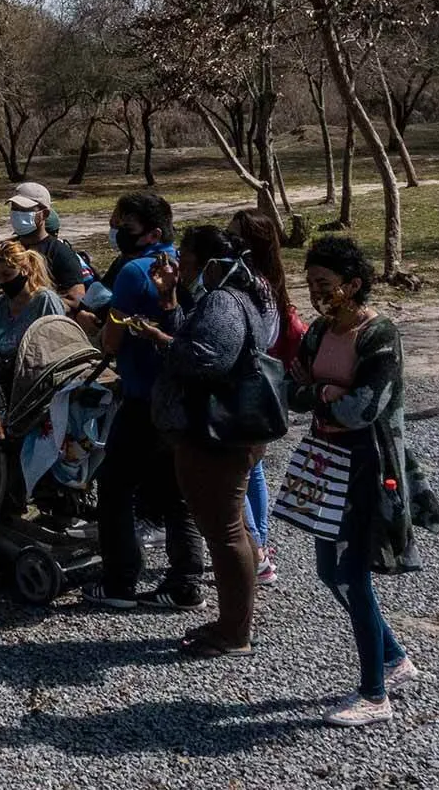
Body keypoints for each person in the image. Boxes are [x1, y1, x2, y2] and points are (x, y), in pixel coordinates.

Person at [290, 234, 434, 728]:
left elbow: (364, 408)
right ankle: (394, 659)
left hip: (368, 468)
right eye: (310, 283)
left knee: (354, 574)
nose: (315, 293)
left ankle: (374, 696)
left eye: (324, 284)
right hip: (325, 464)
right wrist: (322, 394)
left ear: (352, 286)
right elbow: (292, 390)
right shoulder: (316, 332)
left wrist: (321, 393)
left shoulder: (380, 335)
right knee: (329, 572)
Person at [140, 224, 278, 657]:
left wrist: (161, 339)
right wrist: (171, 304)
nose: (181, 261)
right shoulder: (233, 295)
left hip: (217, 435)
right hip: (223, 433)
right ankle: (232, 621)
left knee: (225, 531)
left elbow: (207, 358)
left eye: (186, 253)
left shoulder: (223, 299)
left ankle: (234, 631)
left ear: (209, 262)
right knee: (229, 526)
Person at [85, 190, 205, 612]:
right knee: (176, 492)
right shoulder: (188, 265)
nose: (117, 233)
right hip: (183, 398)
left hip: (143, 399)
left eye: (125, 228)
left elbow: (112, 340)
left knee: (114, 485)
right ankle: (186, 580)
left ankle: (120, 579)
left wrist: (107, 331)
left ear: (152, 232)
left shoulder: (135, 272)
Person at [227, 209, 302, 587]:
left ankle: (255, 553)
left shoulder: (248, 286)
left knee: (235, 471)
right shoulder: (271, 283)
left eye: (234, 237)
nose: (228, 243)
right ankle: (262, 544)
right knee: (253, 468)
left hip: (246, 388)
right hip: (265, 387)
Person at [0, 240, 65, 391]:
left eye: (7, 274)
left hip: (37, 389)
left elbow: (57, 351)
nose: (1, 281)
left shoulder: (45, 302)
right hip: (0, 389)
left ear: (24, 269)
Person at [7, 182, 92, 301]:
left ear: (45, 214)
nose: (17, 214)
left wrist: (36, 300)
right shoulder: (4, 250)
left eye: (24, 209)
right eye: (14, 208)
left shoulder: (61, 253)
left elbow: (77, 299)